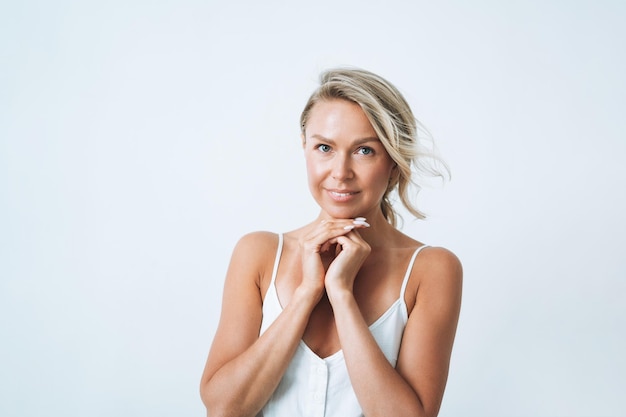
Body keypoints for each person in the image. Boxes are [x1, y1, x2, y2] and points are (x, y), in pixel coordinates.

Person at [200, 68, 462, 417]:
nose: (340, 172)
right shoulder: (259, 255)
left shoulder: (431, 269)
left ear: (395, 163)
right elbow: (223, 409)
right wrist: (307, 293)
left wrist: (341, 295)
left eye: (364, 151)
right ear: (305, 149)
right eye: (324, 147)